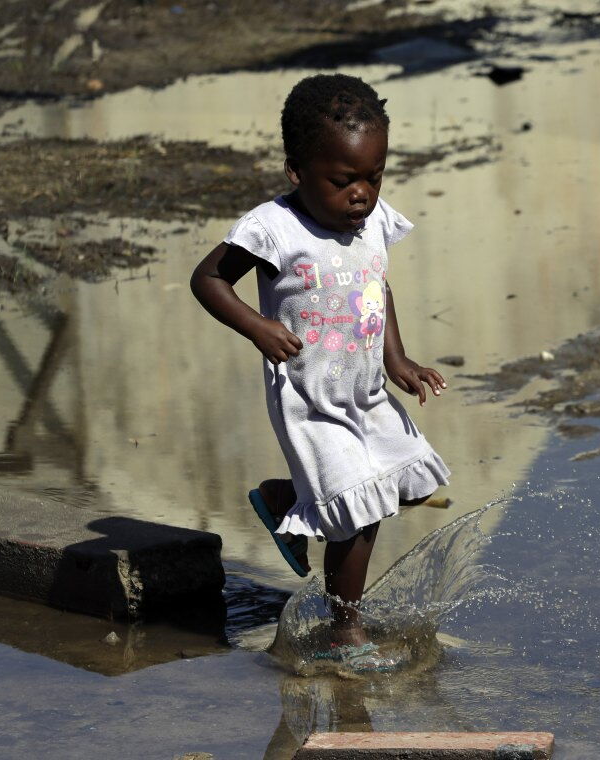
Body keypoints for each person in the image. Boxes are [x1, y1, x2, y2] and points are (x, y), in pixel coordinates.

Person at [190, 73, 450, 671]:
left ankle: (287, 499)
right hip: (311, 398)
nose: (362, 193)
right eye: (343, 180)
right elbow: (208, 280)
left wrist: (398, 360)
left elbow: (374, 290)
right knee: (356, 514)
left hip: (365, 391)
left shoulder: (374, 220)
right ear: (297, 172)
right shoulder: (273, 228)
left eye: (374, 176)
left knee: (409, 484)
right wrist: (257, 326)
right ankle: (345, 630)